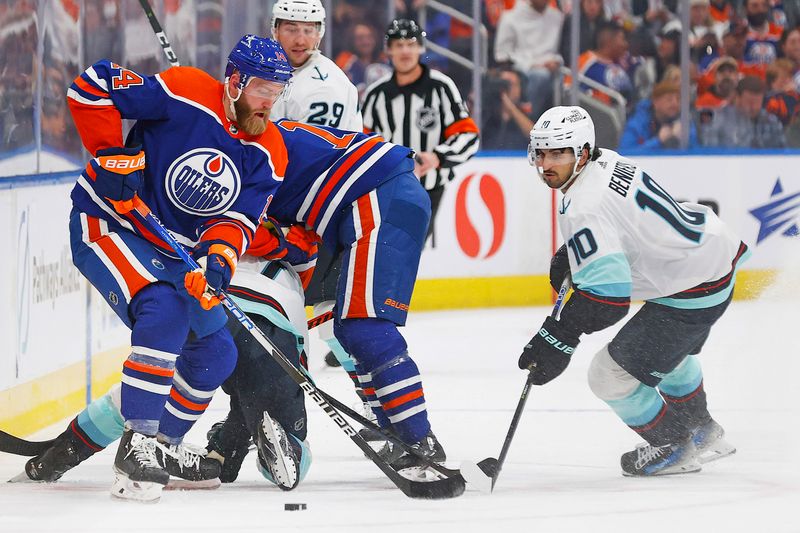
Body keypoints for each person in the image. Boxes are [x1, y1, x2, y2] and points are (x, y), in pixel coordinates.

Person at [66, 34, 293, 502]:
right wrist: (111, 154)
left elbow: (237, 220)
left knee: (216, 354)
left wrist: (217, 264)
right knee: (164, 310)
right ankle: (139, 444)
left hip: (173, 253)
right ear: (235, 81)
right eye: (262, 89)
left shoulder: (270, 150)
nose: (270, 102)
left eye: (278, 91)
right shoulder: (185, 90)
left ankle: (163, 447)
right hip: (111, 223)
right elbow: (92, 86)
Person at [519, 105, 749, 476]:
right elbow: (623, 219)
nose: (547, 163)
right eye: (541, 152)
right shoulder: (605, 159)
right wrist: (575, 254)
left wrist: (558, 336)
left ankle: (674, 445)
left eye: (558, 152)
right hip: (709, 257)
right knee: (664, 354)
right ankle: (700, 429)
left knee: (607, 374)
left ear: (581, 152)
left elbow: (607, 301)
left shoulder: (583, 207)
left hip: (691, 285)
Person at [361, 18, 480, 246]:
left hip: (430, 187)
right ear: (389, 50)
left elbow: (468, 135)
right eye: (399, 44)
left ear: (421, 48)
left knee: (405, 249)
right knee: (384, 248)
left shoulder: (441, 87)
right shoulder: (376, 94)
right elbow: (363, 142)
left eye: (411, 43)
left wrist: (438, 156)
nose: (405, 50)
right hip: (386, 188)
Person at [700, 75, 786, 148]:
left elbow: (782, 153)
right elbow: (709, 151)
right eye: (749, 102)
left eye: (758, 102)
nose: (753, 107)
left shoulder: (771, 121)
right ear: (737, 98)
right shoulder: (718, 119)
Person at [618, 80, 698, 150]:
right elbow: (626, 152)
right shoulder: (638, 123)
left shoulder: (685, 122)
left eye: (678, 99)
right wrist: (658, 141)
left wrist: (684, 139)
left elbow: (697, 151)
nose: (675, 103)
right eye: (669, 99)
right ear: (656, 102)